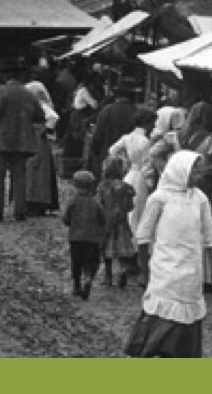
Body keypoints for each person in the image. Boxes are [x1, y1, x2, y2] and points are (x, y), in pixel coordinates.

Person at [126, 150, 212, 358]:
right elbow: (143, 237)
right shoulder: (160, 199)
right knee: (163, 313)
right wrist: (145, 269)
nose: (198, 175)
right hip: (165, 269)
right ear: (180, 171)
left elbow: (210, 238)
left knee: (187, 317)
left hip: (192, 271)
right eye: (194, 171)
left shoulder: (200, 199)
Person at [0, 60, 44, 222]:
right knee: (20, 177)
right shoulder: (28, 93)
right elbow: (40, 115)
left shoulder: (2, 91)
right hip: (22, 141)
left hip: (3, 140)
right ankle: (20, 211)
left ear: (6, 77)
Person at [108, 108, 157, 236]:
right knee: (139, 211)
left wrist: (124, 161)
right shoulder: (145, 141)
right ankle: (137, 240)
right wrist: (150, 184)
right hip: (140, 178)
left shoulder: (127, 138)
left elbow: (112, 150)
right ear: (147, 123)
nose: (154, 127)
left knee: (129, 210)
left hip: (130, 174)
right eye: (153, 123)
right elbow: (147, 166)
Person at [63, 170, 105, 300]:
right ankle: (88, 277)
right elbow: (102, 219)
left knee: (76, 262)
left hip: (75, 238)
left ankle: (76, 286)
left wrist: (70, 222)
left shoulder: (73, 201)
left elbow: (66, 218)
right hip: (92, 238)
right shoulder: (95, 202)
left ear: (75, 186)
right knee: (91, 261)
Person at [87, 75, 140, 178]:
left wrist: (95, 156)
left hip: (108, 159)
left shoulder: (108, 110)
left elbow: (97, 138)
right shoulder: (137, 113)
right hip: (129, 163)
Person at [97, 156, 136, 288]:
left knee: (107, 251)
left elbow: (99, 204)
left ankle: (108, 276)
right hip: (122, 223)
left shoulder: (103, 186)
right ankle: (122, 271)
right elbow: (131, 206)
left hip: (107, 223)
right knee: (122, 251)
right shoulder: (127, 187)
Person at [23, 80, 60, 215]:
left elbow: (53, 117)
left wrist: (42, 130)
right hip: (36, 141)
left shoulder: (41, 105)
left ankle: (36, 202)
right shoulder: (35, 105)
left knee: (37, 172)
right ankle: (33, 201)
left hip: (37, 141)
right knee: (34, 171)